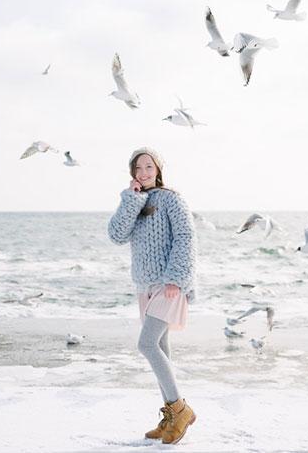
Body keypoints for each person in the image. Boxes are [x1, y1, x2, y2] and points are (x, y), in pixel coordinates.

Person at [107, 147, 198, 444]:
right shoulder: (135, 200)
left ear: (158, 169)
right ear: (133, 173)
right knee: (161, 347)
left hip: (168, 284)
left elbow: (186, 237)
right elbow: (117, 235)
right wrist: (131, 199)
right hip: (144, 286)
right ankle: (170, 417)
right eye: (138, 168)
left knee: (146, 344)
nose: (144, 172)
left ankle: (180, 410)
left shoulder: (171, 198)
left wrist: (176, 277)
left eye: (149, 167)